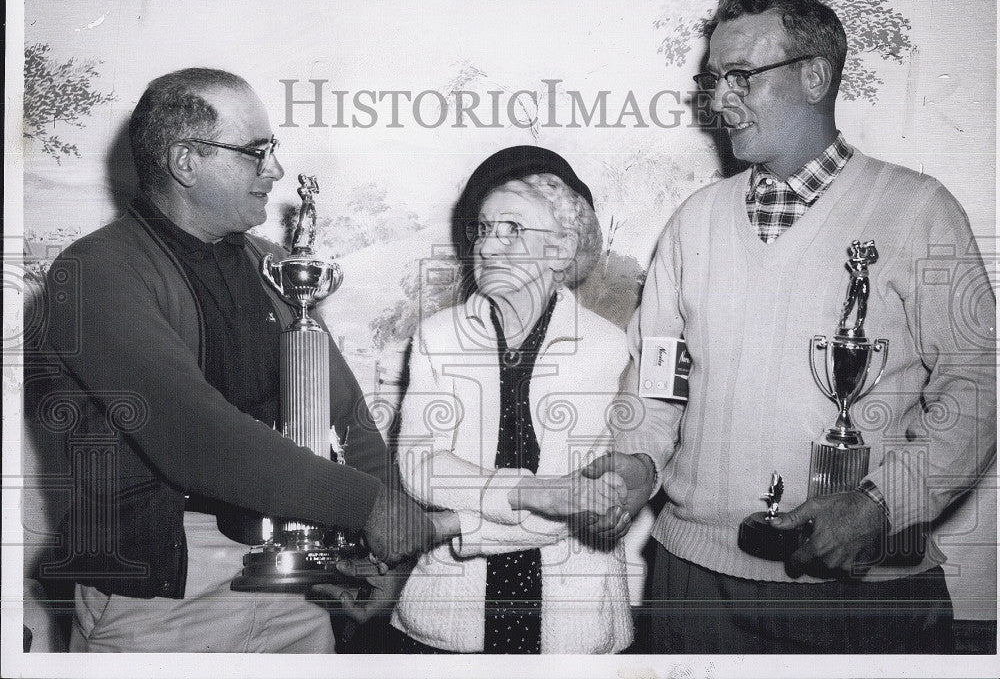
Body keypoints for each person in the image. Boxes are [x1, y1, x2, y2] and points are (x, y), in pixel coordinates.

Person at [583, 0, 996, 653]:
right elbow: (657, 382)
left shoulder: (919, 210)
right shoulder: (695, 223)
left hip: (864, 590)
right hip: (691, 583)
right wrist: (634, 465)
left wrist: (880, 505)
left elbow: (979, 385)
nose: (720, 101)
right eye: (715, 79)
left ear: (814, 76)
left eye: (742, 76)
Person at [37, 68, 449, 652]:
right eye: (256, 152)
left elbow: (346, 415)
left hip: (297, 590)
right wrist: (370, 506)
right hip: (162, 600)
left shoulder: (274, 265)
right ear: (186, 161)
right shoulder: (95, 272)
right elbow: (193, 436)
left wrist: (382, 562)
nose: (275, 171)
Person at [387, 146, 635, 653]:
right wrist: (528, 492)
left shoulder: (607, 347)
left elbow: (582, 508)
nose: (489, 246)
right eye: (483, 228)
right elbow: (420, 467)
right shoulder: (438, 336)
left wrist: (451, 525)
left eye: (514, 229)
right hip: (449, 624)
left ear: (562, 250)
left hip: (574, 627)